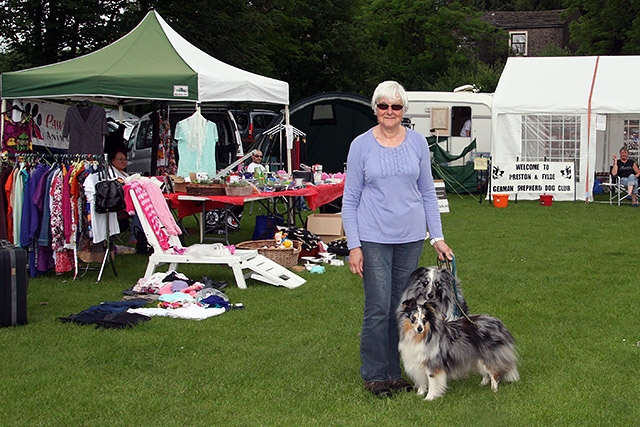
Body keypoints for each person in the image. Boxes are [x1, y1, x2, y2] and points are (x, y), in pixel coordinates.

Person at [342, 80, 454, 398]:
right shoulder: (361, 145)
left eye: (396, 106)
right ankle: (375, 374)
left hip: (411, 237)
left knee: (402, 307)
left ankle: (395, 373)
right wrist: (354, 245)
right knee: (377, 306)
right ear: (375, 108)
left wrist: (438, 238)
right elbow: (349, 200)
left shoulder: (418, 143)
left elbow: (427, 193)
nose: (389, 112)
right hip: (373, 236)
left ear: (403, 110)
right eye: (383, 106)